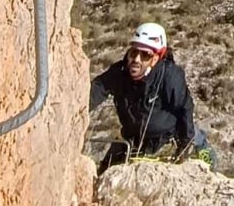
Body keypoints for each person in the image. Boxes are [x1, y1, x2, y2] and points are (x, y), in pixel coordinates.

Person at [88, 23, 215, 176]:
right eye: (133, 52)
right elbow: (96, 90)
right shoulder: (119, 73)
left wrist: (185, 144)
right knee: (103, 175)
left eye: (145, 55)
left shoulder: (170, 76)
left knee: (207, 163)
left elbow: (184, 107)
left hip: (168, 138)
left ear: (155, 58)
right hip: (132, 140)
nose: (136, 59)